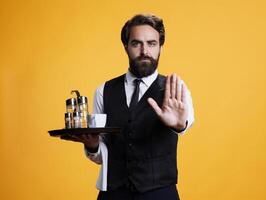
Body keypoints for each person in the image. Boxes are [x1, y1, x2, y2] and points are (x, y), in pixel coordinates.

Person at [64, 13, 195, 200]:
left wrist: (179, 125)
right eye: (136, 43)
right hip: (113, 193)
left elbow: (185, 123)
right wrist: (92, 146)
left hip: (160, 193)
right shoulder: (104, 91)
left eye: (151, 43)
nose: (144, 51)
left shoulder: (175, 89)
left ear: (160, 47)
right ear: (126, 47)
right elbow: (102, 156)